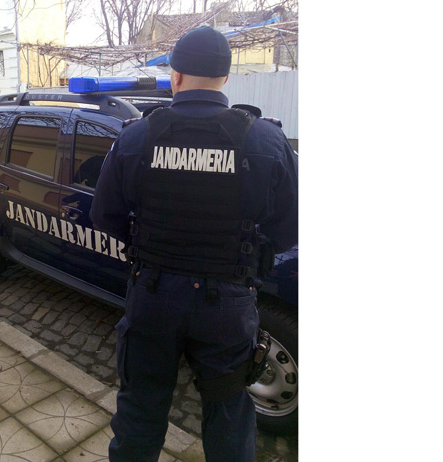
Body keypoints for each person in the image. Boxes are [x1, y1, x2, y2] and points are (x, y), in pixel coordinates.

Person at [90, 26, 298, 462]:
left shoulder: (136, 136)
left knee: (140, 413)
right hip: (227, 303)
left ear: (175, 75)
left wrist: (149, 246)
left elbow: (104, 214)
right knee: (228, 419)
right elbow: (290, 228)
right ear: (225, 78)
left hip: (153, 296)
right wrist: (245, 254)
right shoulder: (265, 139)